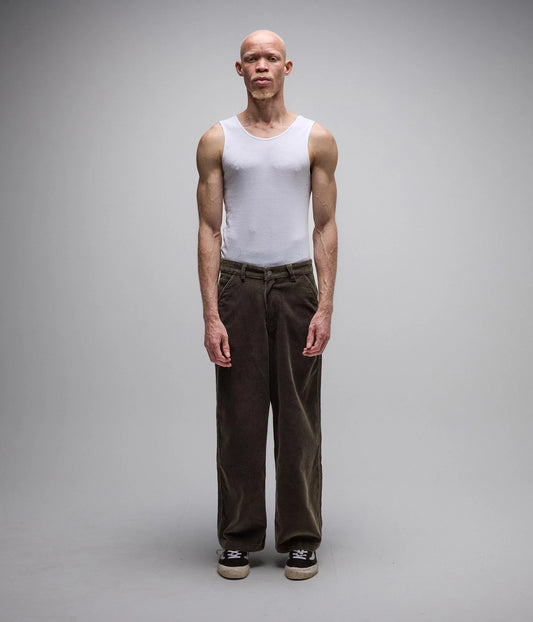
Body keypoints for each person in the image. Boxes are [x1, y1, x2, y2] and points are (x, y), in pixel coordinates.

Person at [196, 29, 338, 580]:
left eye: (270, 58)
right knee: (239, 416)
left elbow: (324, 226)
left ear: (287, 67)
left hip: (296, 286)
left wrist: (325, 306)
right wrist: (212, 314)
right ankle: (238, 537)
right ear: (239, 69)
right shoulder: (218, 140)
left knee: (300, 419)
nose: (261, 66)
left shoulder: (314, 138)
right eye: (251, 58)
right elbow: (210, 230)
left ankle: (300, 538)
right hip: (239, 285)